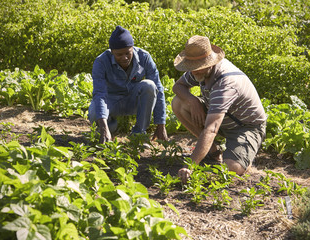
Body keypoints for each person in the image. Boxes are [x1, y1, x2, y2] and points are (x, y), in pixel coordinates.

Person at [172, 35, 267, 183]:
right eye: (191, 67)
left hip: (245, 126)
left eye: (198, 67)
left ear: (209, 62)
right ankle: (214, 151)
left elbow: (211, 129)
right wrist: (193, 101)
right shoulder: (198, 70)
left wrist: (191, 166)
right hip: (219, 117)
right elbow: (177, 87)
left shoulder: (226, 83)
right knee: (179, 103)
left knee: (231, 169)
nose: (194, 71)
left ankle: (241, 157)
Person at [88, 26, 168, 143]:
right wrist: (104, 128)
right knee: (95, 113)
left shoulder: (144, 57)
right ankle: (111, 128)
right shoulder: (101, 62)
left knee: (149, 86)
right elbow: (100, 94)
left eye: (128, 53)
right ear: (112, 52)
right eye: (119, 54)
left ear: (132, 48)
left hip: (133, 100)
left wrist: (161, 124)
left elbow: (158, 89)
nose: (125, 58)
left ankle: (139, 134)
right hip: (111, 101)